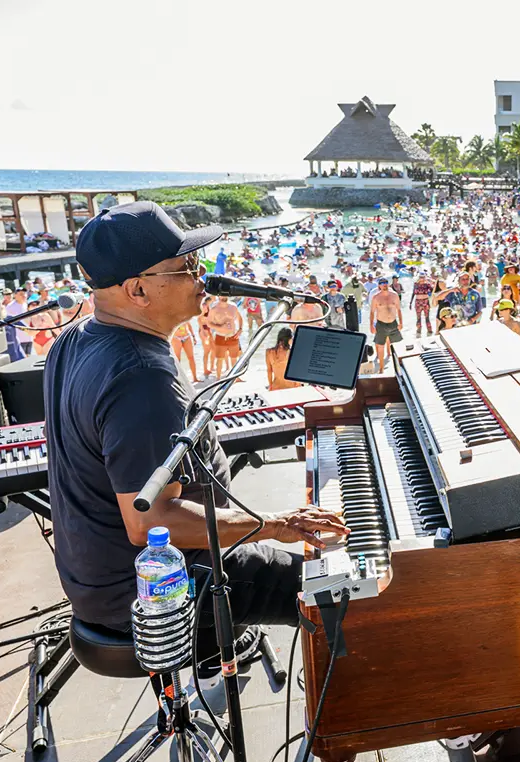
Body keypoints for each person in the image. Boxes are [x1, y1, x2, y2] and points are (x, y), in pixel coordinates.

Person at [43, 202, 347, 707]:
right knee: (338, 589)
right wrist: (274, 523)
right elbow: (151, 522)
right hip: (155, 589)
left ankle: (218, 648)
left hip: (93, 580)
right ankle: (358, 721)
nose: (201, 275)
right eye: (184, 268)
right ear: (136, 290)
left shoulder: (72, 340)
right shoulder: (140, 374)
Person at [369, 277, 403, 369]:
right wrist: (371, 325)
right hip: (381, 324)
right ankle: (381, 368)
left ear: (388, 284)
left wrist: (401, 323)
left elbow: (399, 309)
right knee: (380, 346)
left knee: (397, 345)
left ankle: (399, 366)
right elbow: (372, 312)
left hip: (393, 323)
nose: (384, 284)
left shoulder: (394, 295)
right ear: (379, 285)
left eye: (386, 282)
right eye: (382, 283)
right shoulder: (376, 297)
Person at [207, 296, 242, 379]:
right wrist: (219, 327)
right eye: (222, 295)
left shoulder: (233, 306)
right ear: (218, 296)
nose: (224, 296)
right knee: (220, 359)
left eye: (225, 294)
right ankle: (218, 379)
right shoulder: (214, 309)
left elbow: (240, 318)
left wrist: (240, 329)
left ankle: (236, 378)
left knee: (234, 358)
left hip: (233, 336)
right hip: (220, 336)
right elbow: (209, 323)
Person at [5, 288, 33, 358]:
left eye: (24, 294)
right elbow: (11, 322)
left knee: (29, 357)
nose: (23, 296)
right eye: (21, 294)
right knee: (22, 359)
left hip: (29, 337)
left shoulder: (27, 304)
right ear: (15, 295)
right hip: (19, 338)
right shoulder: (10, 306)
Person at [411, 271, 435, 336]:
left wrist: (430, 281)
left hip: (425, 301)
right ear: (418, 277)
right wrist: (410, 302)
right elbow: (413, 293)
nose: (422, 278)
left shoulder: (427, 284)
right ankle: (419, 330)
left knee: (427, 317)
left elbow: (433, 290)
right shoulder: (416, 284)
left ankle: (429, 331)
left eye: (423, 277)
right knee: (418, 317)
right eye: (420, 277)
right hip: (418, 302)